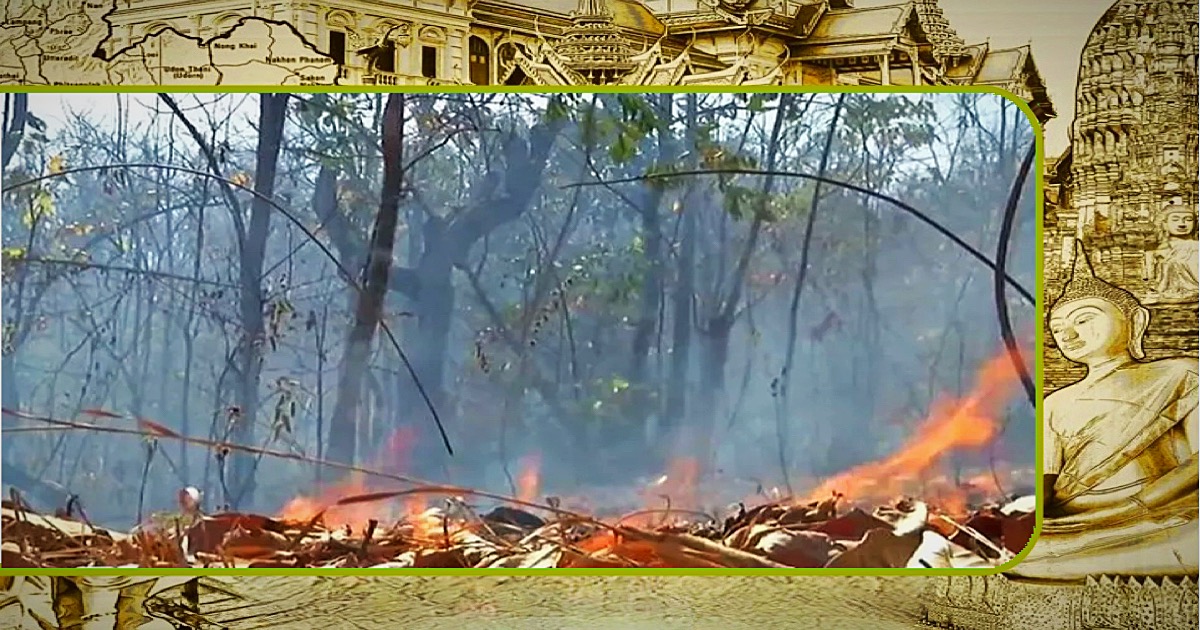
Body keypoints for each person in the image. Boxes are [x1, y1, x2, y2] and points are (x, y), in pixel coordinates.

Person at [1010, 240, 1198, 580]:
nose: (1069, 335)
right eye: (1058, 330)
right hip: (1075, 524)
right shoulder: (1056, 403)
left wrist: (1140, 503)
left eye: (1084, 320)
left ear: (1135, 320)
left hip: (1163, 515)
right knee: (1022, 552)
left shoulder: (1182, 374)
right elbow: (1047, 480)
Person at [1143, 203, 1199, 304]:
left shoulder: (1196, 247)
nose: (1182, 224)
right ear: (1164, 224)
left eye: (1188, 220)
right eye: (1175, 220)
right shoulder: (1157, 249)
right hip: (1166, 293)